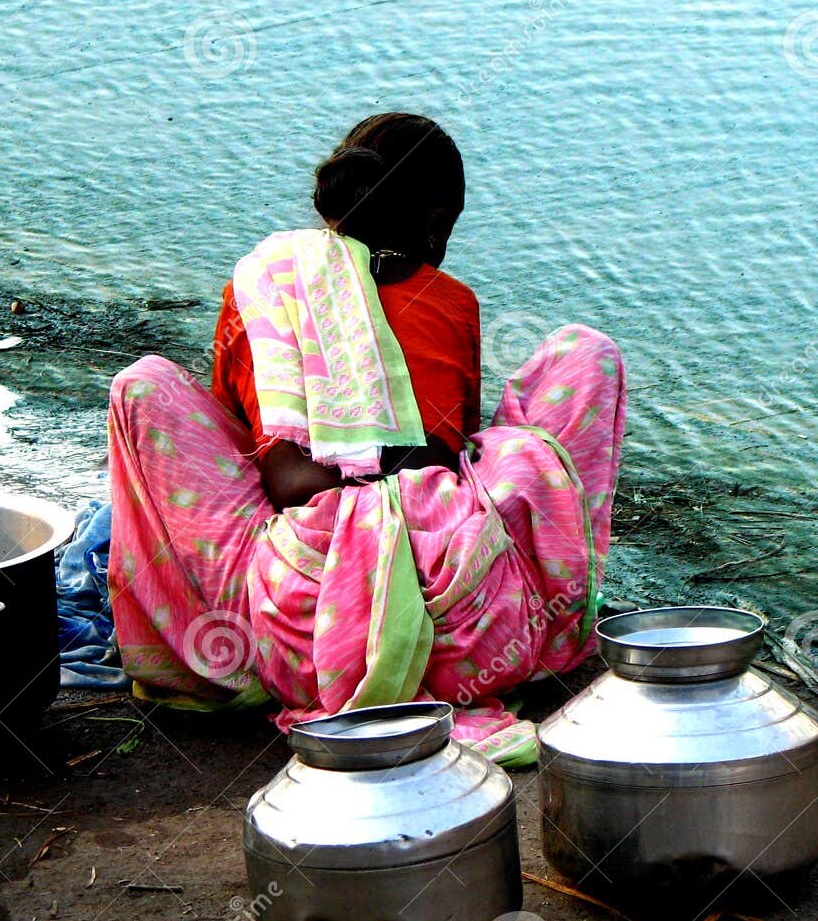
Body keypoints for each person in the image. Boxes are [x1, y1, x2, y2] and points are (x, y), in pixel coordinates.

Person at [107, 113, 626, 765]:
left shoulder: (260, 288)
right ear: (436, 220)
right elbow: (456, 449)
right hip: (478, 635)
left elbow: (240, 444)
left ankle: (201, 658)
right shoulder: (452, 301)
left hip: (296, 639)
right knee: (584, 354)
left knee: (145, 384)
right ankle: (555, 620)